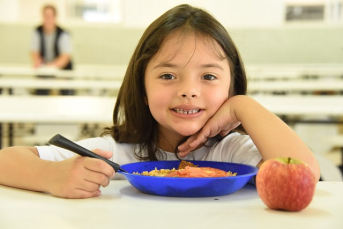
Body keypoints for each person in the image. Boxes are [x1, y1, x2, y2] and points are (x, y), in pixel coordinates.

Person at [0, 4, 320, 199]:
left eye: (208, 76)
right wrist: (51, 176)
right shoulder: (116, 152)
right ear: (142, 86)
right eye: (168, 76)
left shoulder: (233, 154)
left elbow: (306, 173)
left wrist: (243, 106)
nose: (188, 90)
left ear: (231, 86)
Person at [30, 4, 74, 95]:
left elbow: (65, 56)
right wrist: (37, 61)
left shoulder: (63, 33)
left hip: (62, 71)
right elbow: (34, 52)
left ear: (55, 17)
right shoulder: (37, 31)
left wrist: (52, 66)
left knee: (66, 91)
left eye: (50, 16)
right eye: (45, 16)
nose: (48, 19)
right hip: (44, 71)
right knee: (41, 90)